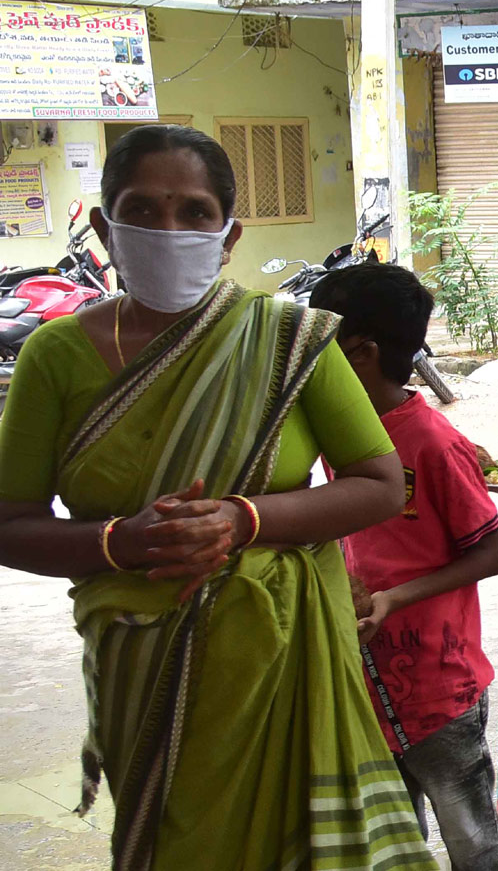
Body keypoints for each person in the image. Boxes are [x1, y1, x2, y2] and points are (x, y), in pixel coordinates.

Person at [0, 126, 436, 869]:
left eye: (195, 212)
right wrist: (119, 543)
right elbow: (10, 524)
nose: (169, 229)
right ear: (104, 227)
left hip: (286, 653)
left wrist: (244, 520)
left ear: (229, 236)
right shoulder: (55, 354)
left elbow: (379, 483)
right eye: (142, 208)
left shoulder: (292, 340)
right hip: (141, 659)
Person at [309, 263, 498, 870]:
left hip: (438, 688)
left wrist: (397, 597)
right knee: (391, 842)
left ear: (362, 353)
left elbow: (495, 551)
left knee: (474, 842)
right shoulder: (337, 434)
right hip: (365, 681)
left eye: (321, 352)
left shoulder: (432, 442)